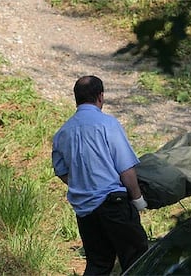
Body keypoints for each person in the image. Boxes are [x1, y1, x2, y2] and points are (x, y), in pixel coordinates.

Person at [52, 75, 148, 275]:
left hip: (85, 211)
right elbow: (126, 170)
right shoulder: (108, 125)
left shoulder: (63, 132)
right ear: (100, 97)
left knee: (98, 264)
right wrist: (138, 199)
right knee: (137, 260)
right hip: (114, 204)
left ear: (76, 98)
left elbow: (61, 172)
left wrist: (83, 183)